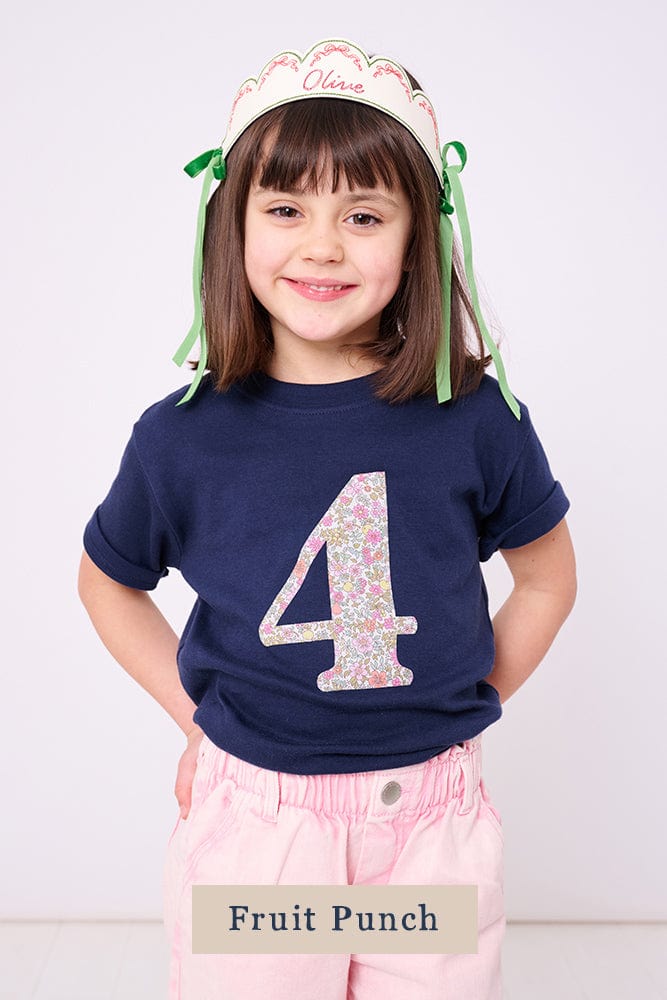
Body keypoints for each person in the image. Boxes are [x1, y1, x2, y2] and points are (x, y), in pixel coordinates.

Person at [78, 37, 577, 1000]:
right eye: (284, 209)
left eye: (361, 214)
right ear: (232, 226)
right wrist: (195, 719)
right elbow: (109, 580)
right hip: (258, 833)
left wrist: (464, 707)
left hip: (432, 829)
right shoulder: (183, 437)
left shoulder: (476, 418)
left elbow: (548, 575)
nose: (321, 245)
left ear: (417, 236)